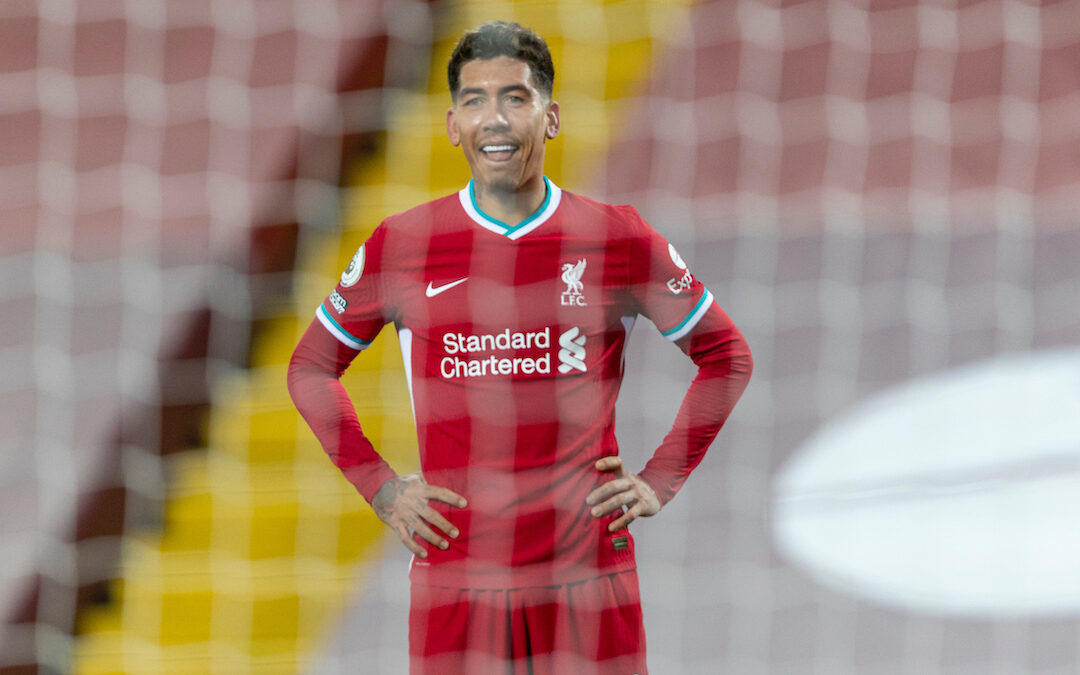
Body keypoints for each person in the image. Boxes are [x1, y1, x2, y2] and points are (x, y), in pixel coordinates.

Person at [288, 20, 752, 674]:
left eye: (516, 97)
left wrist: (660, 480)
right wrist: (383, 489)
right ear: (452, 124)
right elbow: (310, 367)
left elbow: (726, 356)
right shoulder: (404, 245)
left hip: (588, 577)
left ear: (551, 116)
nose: (495, 119)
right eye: (475, 101)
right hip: (459, 581)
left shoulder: (614, 236)